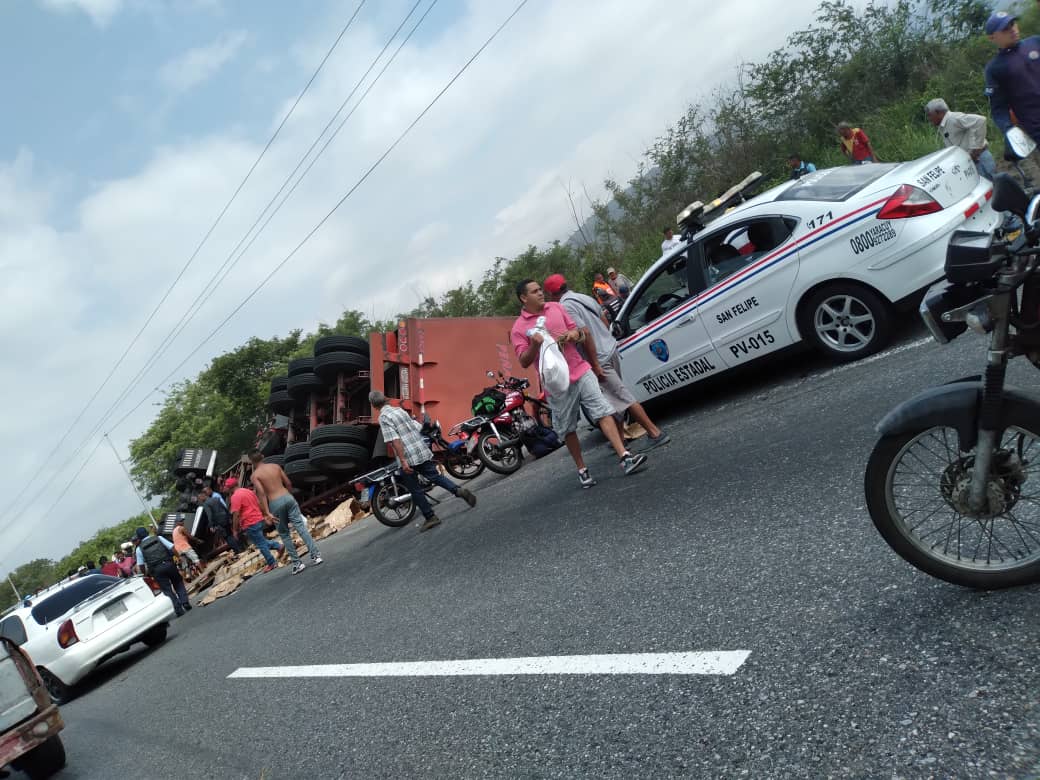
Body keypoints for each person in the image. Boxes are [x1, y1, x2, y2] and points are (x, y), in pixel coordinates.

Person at [510, 279, 648, 489]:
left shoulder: (556, 308)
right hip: (557, 383)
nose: (540, 293)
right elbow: (523, 360)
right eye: (535, 291)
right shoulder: (519, 328)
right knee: (568, 428)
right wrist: (534, 345)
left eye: (540, 290)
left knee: (602, 411)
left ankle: (625, 457)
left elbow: (579, 333)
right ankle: (582, 469)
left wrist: (573, 335)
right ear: (523, 298)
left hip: (580, 369)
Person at [543, 274, 671, 453]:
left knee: (622, 397)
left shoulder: (565, 306)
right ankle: (620, 439)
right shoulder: (582, 297)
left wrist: (594, 364)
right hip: (610, 348)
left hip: (599, 358)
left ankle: (655, 433)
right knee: (612, 400)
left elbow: (584, 334)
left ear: (551, 294)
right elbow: (603, 318)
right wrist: (604, 339)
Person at [368, 391, 477, 532]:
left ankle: (431, 517)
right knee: (436, 477)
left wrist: (403, 460)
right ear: (385, 399)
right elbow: (416, 427)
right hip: (420, 449)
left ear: (374, 405)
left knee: (415, 490)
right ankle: (459, 491)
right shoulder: (399, 410)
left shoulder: (384, 417)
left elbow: (395, 440)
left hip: (408, 456)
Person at [248, 449, 322, 575]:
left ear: (251, 461)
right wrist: (289, 496)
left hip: (275, 503)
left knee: (284, 533)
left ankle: (298, 563)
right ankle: (316, 555)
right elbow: (288, 483)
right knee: (300, 527)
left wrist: (266, 513)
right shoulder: (275, 466)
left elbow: (261, 494)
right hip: (288, 497)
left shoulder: (255, 476)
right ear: (263, 456)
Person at [985, 11, 1040, 147]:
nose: (1012, 30)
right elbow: (998, 108)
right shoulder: (994, 69)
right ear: (992, 37)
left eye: (1013, 24)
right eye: (1005, 29)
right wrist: (1009, 131)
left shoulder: (1036, 42)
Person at [925, 98, 997, 181]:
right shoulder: (943, 126)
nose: (929, 118)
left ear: (938, 112)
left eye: (930, 115)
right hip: (972, 163)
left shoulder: (953, 118)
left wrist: (976, 149)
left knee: (995, 188)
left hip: (981, 160)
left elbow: (980, 120)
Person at [134, 526, 192, 616]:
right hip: (169, 564)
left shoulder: (139, 549)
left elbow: (141, 565)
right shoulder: (158, 538)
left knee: (167, 590)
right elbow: (172, 547)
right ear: (147, 532)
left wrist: (145, 574)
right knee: (178, 582)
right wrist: (179, 557)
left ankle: (178, 609)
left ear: (138, 537)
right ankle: (185, 602)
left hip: (156, 570)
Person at [229, 485, 285, 573]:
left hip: (250, 522)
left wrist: (235, 529)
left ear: (230, 488)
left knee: (260, 544)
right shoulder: (248, 491)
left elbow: (236, 514)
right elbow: (259, 503)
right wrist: (265, 514)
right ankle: (278, 546)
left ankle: (272, 563)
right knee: (261, 541)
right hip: (258, 519)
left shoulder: (235, 497)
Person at [199, 486, 240, 556]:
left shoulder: (206, 504)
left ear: (203, 496)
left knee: (227, 537)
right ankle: (240, 546)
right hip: (226, 518)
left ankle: (237, 550)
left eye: (199, 498)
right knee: (230, 533)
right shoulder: (216, 499)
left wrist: (211, 525)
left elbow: (210, 515)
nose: (199, 500)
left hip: (220, 522)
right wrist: (229, 516)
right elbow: (224, 508)